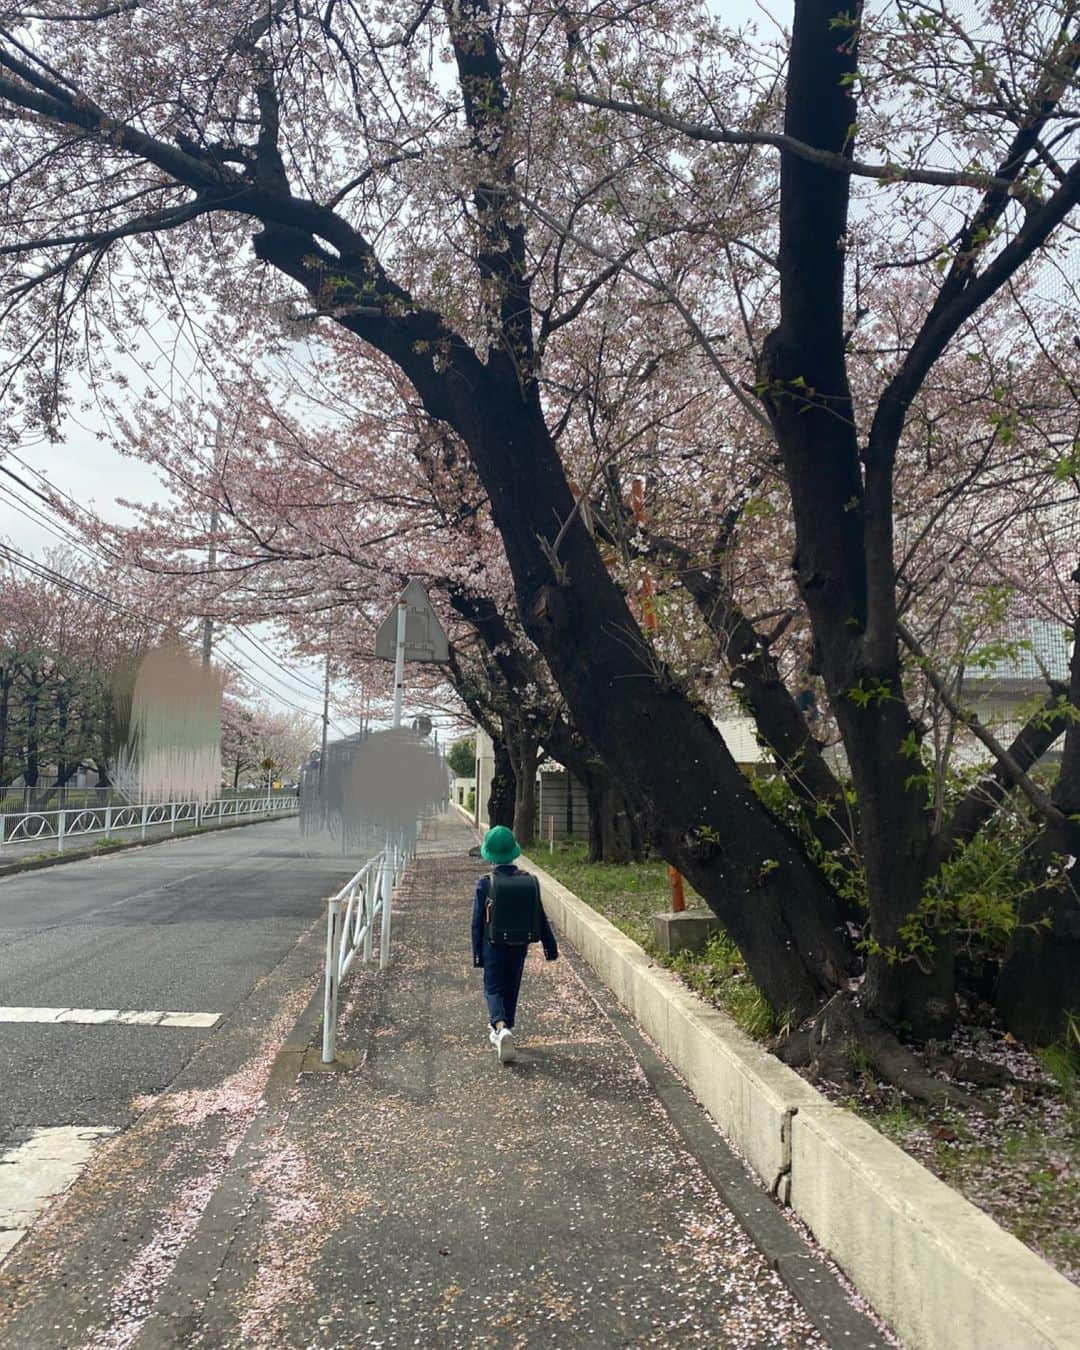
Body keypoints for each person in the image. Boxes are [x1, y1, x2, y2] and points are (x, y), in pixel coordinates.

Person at [471, 825, 558, 1064]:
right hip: (519, 944)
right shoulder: (528, 882)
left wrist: (477, 954)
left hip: (493, 945)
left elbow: (477, 923)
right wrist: (550, 946)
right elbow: (539, 916)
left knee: (493, 988)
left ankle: (500, 1026)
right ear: (513, 853)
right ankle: (507, 1026)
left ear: (490, 855)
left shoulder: (485, 884)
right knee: (512, 986)